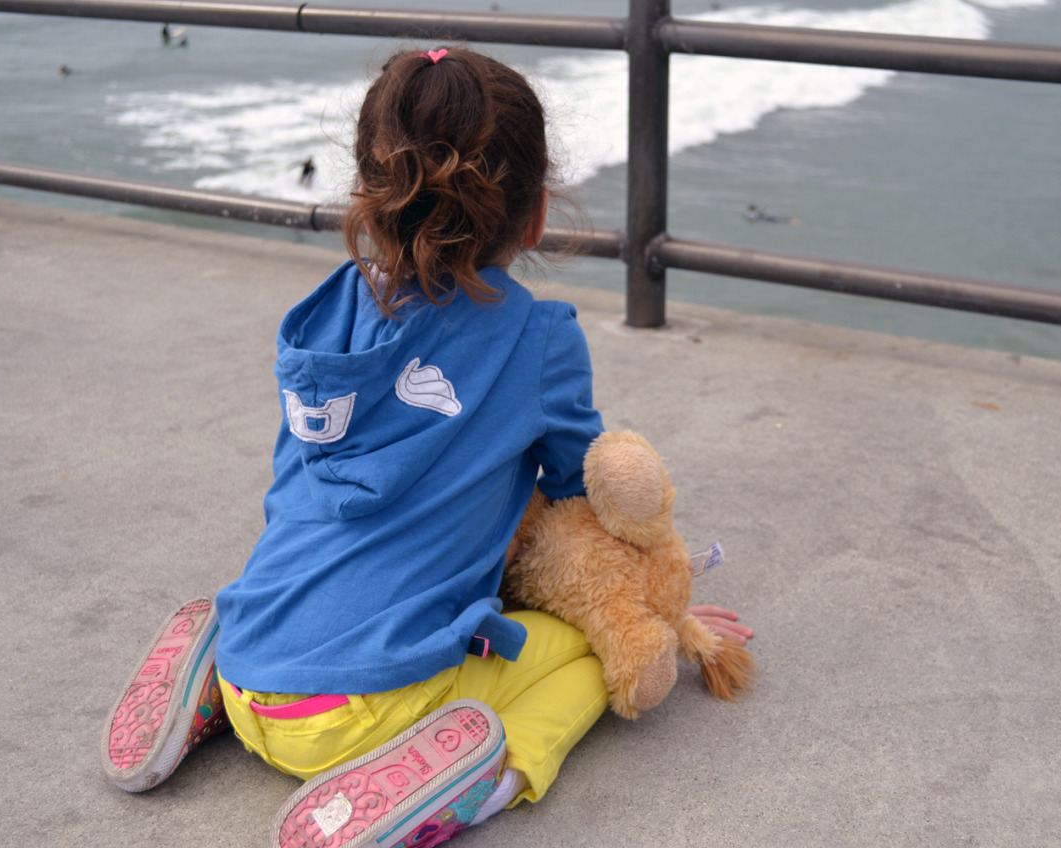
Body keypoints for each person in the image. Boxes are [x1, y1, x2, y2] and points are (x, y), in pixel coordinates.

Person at [101, 46, 751, 848]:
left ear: (369, 197)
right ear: (537, 213)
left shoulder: (325, 315)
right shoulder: (539, 340)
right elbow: (581, 494)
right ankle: (483, 777)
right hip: (365, 715)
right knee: (589, 655)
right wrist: (657, 605)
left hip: (252, 661)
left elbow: (293, 478)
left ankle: (207, 676)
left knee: (303, 601)